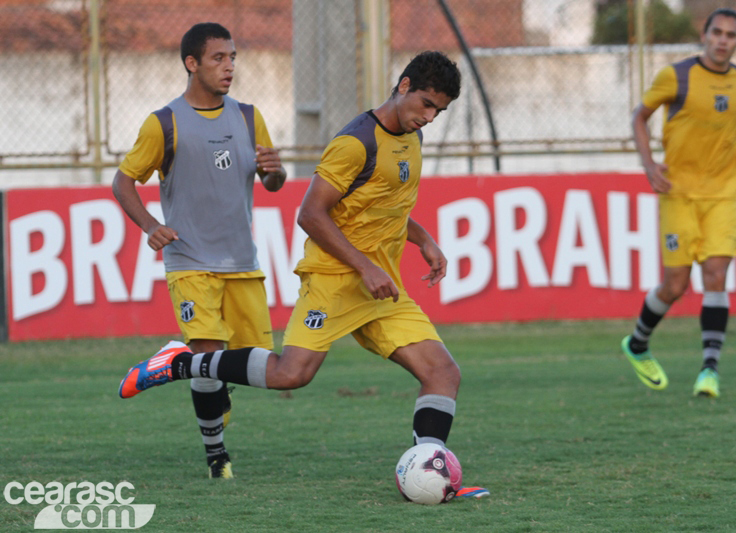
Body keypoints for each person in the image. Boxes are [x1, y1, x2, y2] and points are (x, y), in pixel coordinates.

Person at [119, 50, 488, 498]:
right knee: (290, 374)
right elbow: (311, 214)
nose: (429, 117)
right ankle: (179, 363)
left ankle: (431, 474)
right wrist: (365, 266)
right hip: (335, 280)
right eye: (427, 104)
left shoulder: (411, 137)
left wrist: (424, 239)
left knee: (443, 373)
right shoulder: (356, 142)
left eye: (440, 111)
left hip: (381, 287)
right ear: (405, 86)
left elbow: (384, 207)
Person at [113, 22, 286, 479]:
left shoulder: (249, 116)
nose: (229, 67)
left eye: (232, 57)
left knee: (254, 366)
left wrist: (275, 172)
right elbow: (123, 180)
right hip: (190, 261)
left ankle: (175, 362)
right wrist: (151, 225)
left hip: (241, 262)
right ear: (192, 63)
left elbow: (271, 183)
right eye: (218, 59)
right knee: (209, 355)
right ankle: (217, 459)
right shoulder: (164, 122)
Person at [621, 8, 736, 398]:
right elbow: (639, 116)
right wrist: (648, 165)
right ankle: (637, 343)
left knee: (716, 273)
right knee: (675, 285)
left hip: (724, 191)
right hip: (678, 192)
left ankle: (709, 369)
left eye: (731, 35)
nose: (722, 40)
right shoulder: (676, 76)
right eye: (717, 32)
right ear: (705, 34)